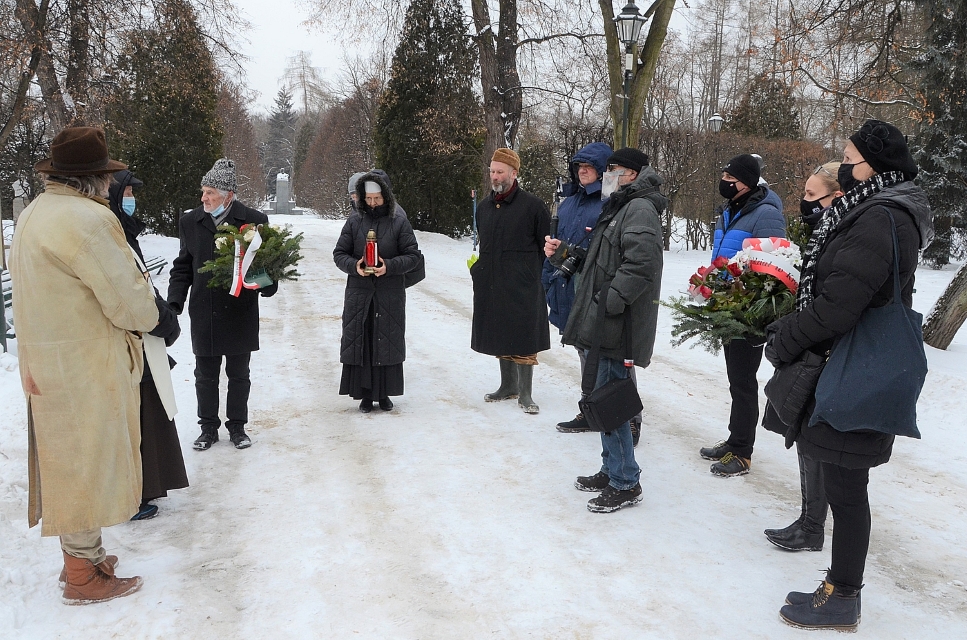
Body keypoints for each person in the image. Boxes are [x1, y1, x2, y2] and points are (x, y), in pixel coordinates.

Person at [767, 120, 933, 630]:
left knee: (846, 488)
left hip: (853, 368)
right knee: (846, 485)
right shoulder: (875, 210)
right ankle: (841, 588)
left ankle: (843, 595)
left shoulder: (879, 217)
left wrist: (787, 337)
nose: (843, 167)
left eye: (850, 159)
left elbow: (840, 305)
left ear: (875, 166)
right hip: (849, 362)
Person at [10, 126, 168, 603]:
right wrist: (155, 315)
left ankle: (87, 554)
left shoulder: (37, 213)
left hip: (46, 357)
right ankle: (81, 575)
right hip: (85, 362)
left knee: (69, 459)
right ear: (96, 179)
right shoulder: (89, 221)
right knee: (85, 462)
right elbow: (128, 301)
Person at [545, 147, 666, 513]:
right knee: (602, 395)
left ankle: (626, 482)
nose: (606, 174)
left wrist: (608, 302)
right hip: (603, 317)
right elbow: (601, 258)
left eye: (612, 169)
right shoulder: (620, 205)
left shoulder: (640, 209)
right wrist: (565, 254)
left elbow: (641, 264)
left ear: (630, 174)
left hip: (616, 323)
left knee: (610, 400)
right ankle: (611, 468)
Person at [760, 161, 844, 553]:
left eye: (812, 196)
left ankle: (815, 526)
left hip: (828, 354)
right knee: (805, 435)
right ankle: (810, 523)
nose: (804, 203)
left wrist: (793, 338)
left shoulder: (843, 235)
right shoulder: (821, 232)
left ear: (836, 196)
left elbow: (834, 303)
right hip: (812, 348)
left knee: (817, 441)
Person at [167, 158, 278, 451]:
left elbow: (264, 264)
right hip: (204, 311)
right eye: (203, 191)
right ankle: (208, 428)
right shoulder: (191, 221)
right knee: (205, 375)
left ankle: (238, 427)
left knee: (239, 374)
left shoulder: (253, 221)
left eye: (210, 192)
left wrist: (268, 285)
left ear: (228, 195)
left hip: (239, 310)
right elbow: (182, 266)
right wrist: (175, 301)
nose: (203, 198)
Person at [107, 170, 189, 520]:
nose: (131, 197)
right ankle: (134, 492)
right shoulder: (111, 231)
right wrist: (162, 319)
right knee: (138, 413)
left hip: (143, 333)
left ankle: (148, 485)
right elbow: (128, 287)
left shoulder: (124, 228)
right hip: (130, 336)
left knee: (150, 411)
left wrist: (162, 313)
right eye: (125, 191)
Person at [699, 153, 786, 477]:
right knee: (736, 380)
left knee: (744, 382)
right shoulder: (731, 209)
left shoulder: (765, 213)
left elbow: (775, 263)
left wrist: (746, 293)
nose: (724, 181)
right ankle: (735, 440)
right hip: (728, 305)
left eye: (728, 177)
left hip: (749, 310)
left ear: (745, 182)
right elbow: (725, 254)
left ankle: (742, 452)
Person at [471, 148, 551, 414]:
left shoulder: (533, 206)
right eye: (492, 171)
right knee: (499, 331)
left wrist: (532, 274)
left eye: (500, 172)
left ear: (514, 173)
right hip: (493, 281)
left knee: (525, 334)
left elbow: (546, 246)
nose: (495, 176)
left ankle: (525, 393)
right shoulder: (483, 207)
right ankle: (508, 385)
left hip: (524, 282)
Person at [333, 171, 421, 412]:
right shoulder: (354, 221)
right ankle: (364, 394)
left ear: (386, 197)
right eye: (368, 199)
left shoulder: (399, 221)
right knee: (363, 341)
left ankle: (384, 394)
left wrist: (389, 267)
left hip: (389, 292)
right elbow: (339, 254)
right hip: (359, 292)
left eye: (377, 199)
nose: (372, 204)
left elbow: (413, 256)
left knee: (386, 341)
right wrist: (355, 266)